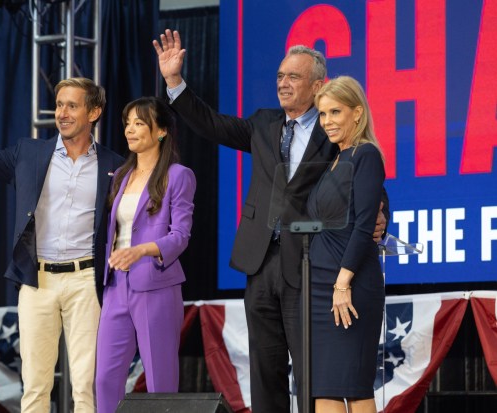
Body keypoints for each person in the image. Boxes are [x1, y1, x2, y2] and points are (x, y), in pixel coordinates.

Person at [153, 30, 388, 412]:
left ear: (317, 85)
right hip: (260, 260)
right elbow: (212, 124)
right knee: (266, 366)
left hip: (312, 264)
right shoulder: (263, 123)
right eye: (280, 76)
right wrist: (174, 82)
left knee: (314, 371)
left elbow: (367, 179)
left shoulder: (334, 129)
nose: (283, 83)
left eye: (293, 77)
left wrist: (381, 217)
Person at [0, 54, 124, 413]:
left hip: (86, 281)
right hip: (36, 279)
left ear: (94, 112)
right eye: (59, 105)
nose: (62, 113)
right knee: (35, 385)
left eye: (72, 106)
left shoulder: (114, 166)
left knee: (87, 385)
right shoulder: (28, 153)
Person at [94, 96, 196, 413]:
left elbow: (180, 236)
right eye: (127, 122)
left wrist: (141, 251)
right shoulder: (121, 176)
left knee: (160, 381)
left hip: (156, 284)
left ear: (161, 131)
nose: (130, 129)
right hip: (115, 286)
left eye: (139, 123)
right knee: (104, 379)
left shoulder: (178, 175)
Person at [308, 76, 385, 413]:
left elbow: (365, 221)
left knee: (353, 387)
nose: (327, 122)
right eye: (322, 114)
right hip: (321, 286)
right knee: (324, 387)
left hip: (349, 285)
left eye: (335, 112)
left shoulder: (366, 154)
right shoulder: (334, 161)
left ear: (357, 113)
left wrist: (343, 283)